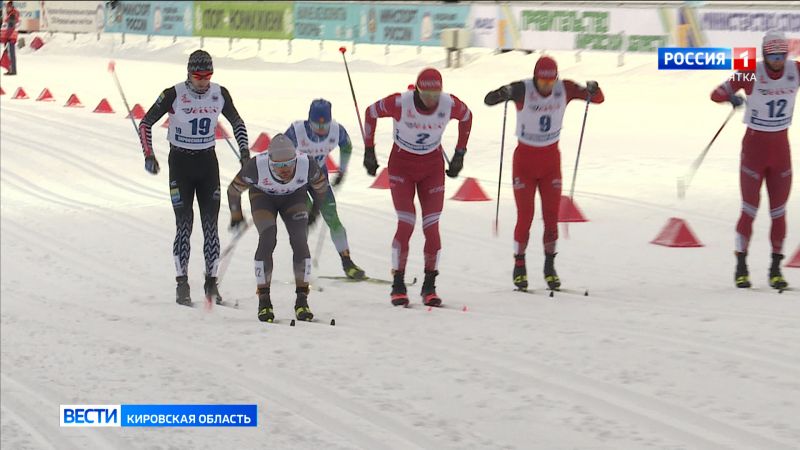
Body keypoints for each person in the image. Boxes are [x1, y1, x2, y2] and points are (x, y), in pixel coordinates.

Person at [138, 50, 251, 306]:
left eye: (208, 75)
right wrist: (149, 155)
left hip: (207, 164)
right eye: (198, 76)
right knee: (184, 224)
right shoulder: (174, 93)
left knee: (210, 226)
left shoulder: (219, 93)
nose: (203, 81)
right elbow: (145, 123)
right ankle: (182, 283)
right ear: (188, 73)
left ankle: (211, 284)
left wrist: (245, 151)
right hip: (180, 164)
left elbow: (238, 123)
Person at [484, 55, 604, 291]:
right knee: (525, 216)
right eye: (543, 82)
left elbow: (598, 99)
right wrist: (503, 93)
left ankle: (549, 267)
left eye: (550, 82)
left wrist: (594, 88)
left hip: (551, 163)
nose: (547, 87)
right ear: (535, 77)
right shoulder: (523, 89)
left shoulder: (565, 88)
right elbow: (488, 100)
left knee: (551, 217)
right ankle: (519, 265)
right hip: (524, 163)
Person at [363, 67, 473, 307]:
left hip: (432, 169)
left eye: (436, 94)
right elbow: (370, 112)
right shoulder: (400, 103)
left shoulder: (449, 104)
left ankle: (429, 286)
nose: (431, 100)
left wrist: (459, 154)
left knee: (432, 227)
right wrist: (369, 150)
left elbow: (467, 117)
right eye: (426, 95)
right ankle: (398, 284)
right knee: (406, 222)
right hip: (402, 166)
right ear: (417, 90)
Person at [711, 30, 797, 290]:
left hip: (781, 150)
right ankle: (741, 267)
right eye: (773, 56)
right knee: (749, 210)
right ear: (764, 54)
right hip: (754, 150)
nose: (778, 61)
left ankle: (775, 269)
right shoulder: (750, 72)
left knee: (779, 212)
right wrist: (730, 96)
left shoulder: (796, 70)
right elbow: (715, 93)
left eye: (782, 55)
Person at [227, 134, 329, 322]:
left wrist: (315, 210)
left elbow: (322, 188)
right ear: (270, 162)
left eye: (289, 164)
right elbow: (233, 190)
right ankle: (264, 301)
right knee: (268, 238)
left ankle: (302, 300)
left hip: (294, 198)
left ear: (296, 159)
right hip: (263, 198)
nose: (285, 171)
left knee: (300, 240)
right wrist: (236, 215)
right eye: (278, 166)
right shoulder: (256, 166)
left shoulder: (307, 164)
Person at [284, 98, 366, 280]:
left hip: (318, 177)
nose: (321, 130)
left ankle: (347, 263)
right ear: (308, 120)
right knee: (303, 219)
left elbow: (347, 146)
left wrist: (342, 171)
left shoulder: (337, 130)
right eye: (316, 125)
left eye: (325, 125)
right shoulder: (297, 131)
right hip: (296, 180)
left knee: (333, 218)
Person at [1, 1, 19, 75]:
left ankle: (13, 70)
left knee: (11, 55)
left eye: (8, 7)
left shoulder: (12, 15)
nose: (7, 9)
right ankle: (11, 69)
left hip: (11, 37)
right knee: (9, 54)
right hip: (10, 37)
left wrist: (6, 37)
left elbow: (11, 28)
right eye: (6, 7)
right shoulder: (11, 14)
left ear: (11, 7)